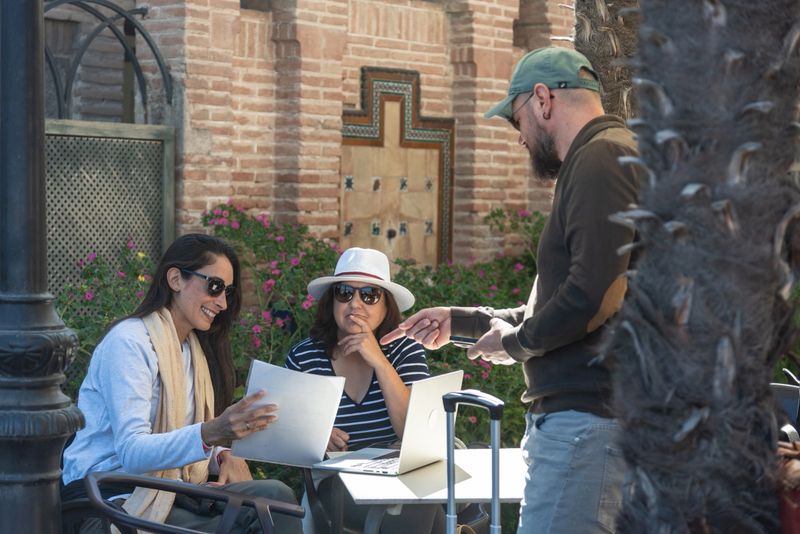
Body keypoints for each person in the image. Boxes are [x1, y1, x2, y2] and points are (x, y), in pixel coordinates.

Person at [382, 47, 643, 533]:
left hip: (588, 421)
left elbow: (594, 296)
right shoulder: (599, 157)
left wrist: (515, 345)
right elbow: (556, 306)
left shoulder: (601, 156)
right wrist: (465, 323)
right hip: (589, 422)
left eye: (517, 119)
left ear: (543, 99)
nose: (520, 138)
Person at [62, 233, 302, 534]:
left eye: (227, 291)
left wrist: (222, 455)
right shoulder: (130, 343)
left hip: (168, 489)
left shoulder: (190, 350)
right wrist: (214, 432)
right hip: (110, 497)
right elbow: (132, 452)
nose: (223, 303)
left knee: (278, 496)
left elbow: (177, 432)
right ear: (175, 279)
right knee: (255, 518)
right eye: (215, 287)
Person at [285, 247, 444, 534]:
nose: (355, 303)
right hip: (337, 485)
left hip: (401, 475)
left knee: (422, 490)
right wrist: (314, 436)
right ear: (332, 302)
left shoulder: (404, 350)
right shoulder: (305, 357)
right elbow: (284, 434)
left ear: (386, 307)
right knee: (425, 502)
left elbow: (413, 436)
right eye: (345, 292)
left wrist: (380, 362)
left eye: (369, 295)